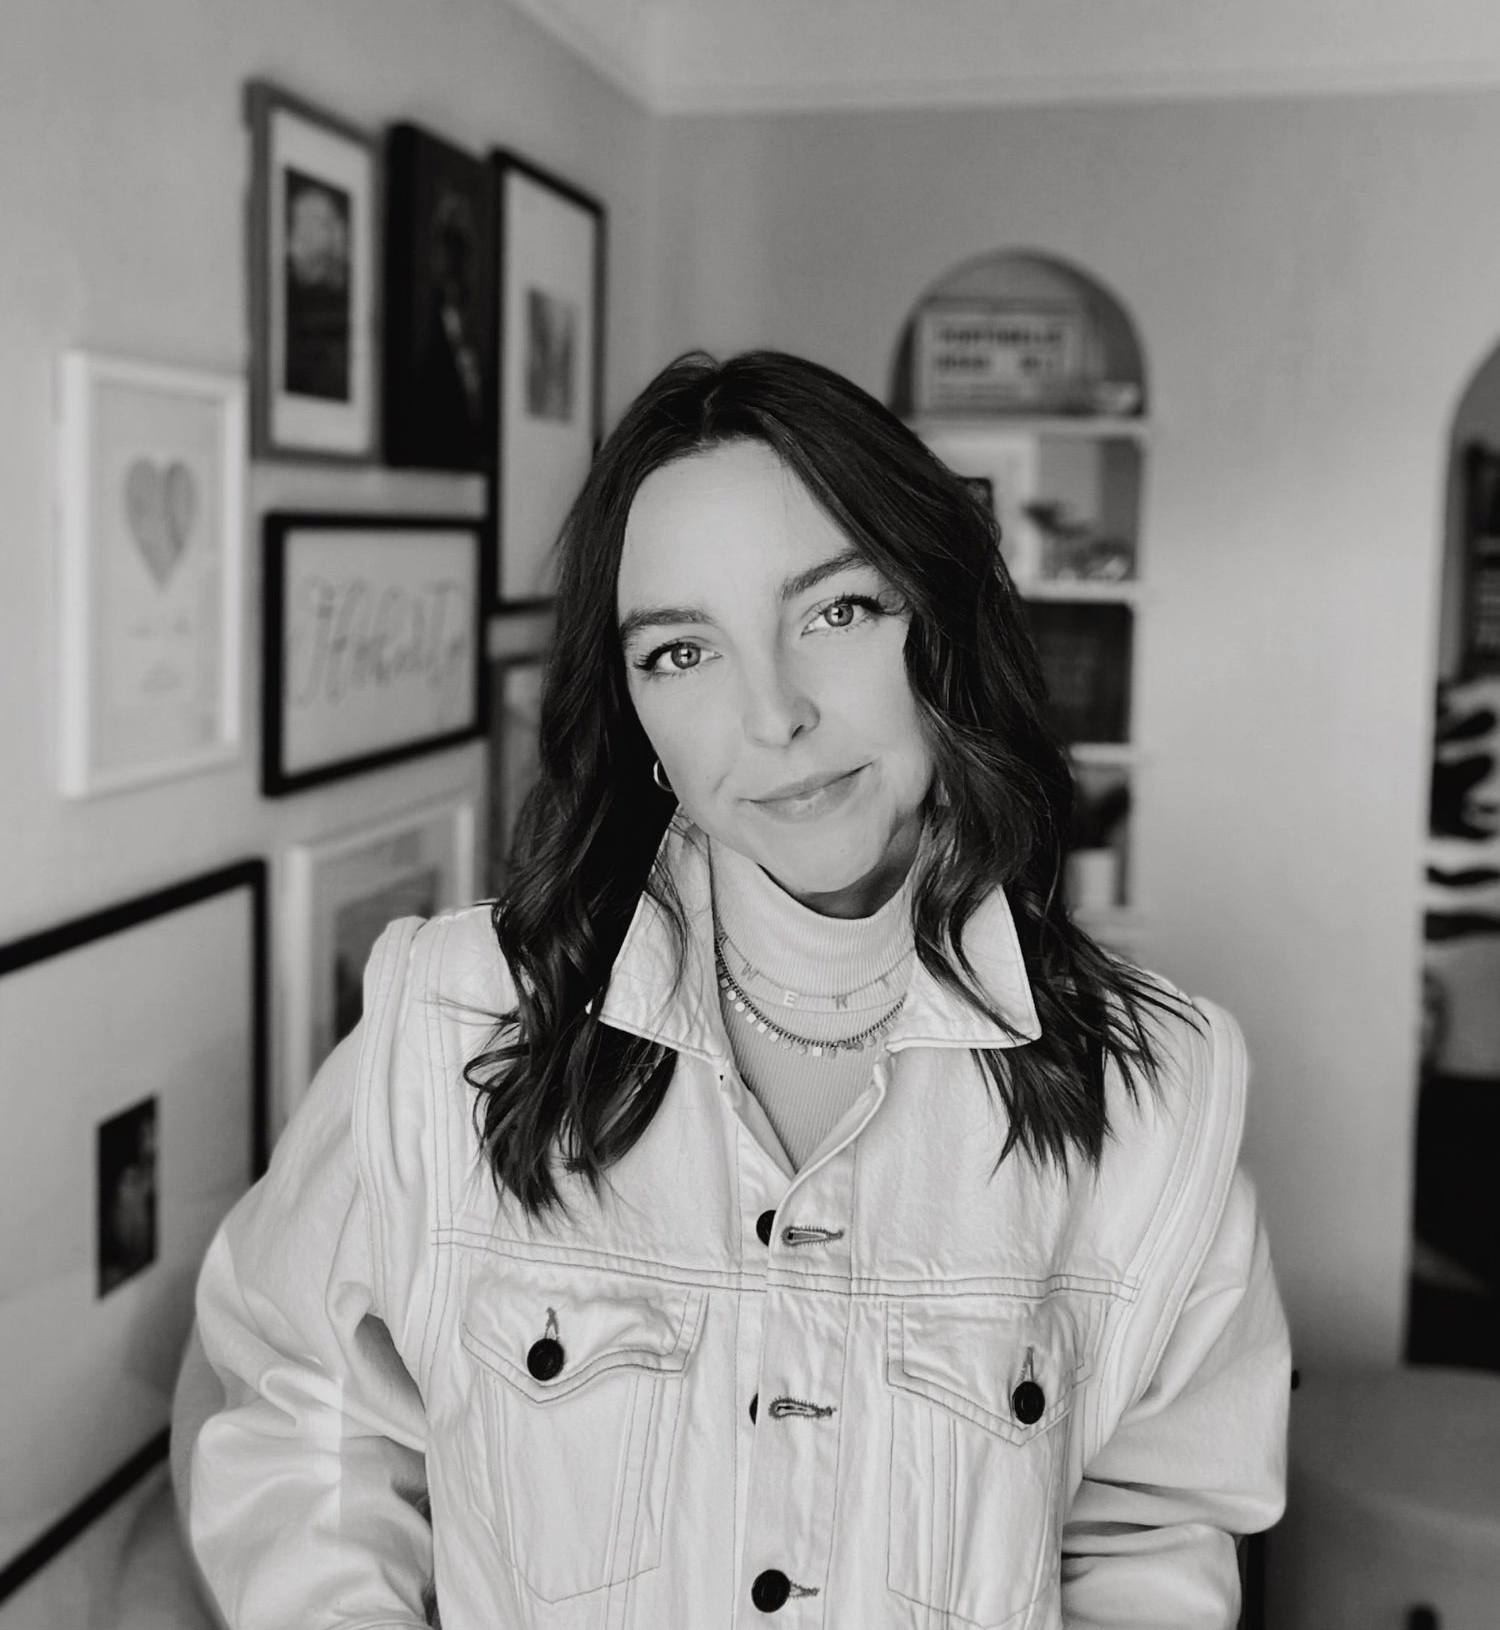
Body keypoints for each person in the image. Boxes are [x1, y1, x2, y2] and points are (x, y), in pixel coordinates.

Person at [180, 349, 1290, 1628]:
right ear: (635, 707)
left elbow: (1152, 1535)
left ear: (943, 623)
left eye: (837, 612)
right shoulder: (452, 1019)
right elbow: (302, 1421)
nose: (773, 715)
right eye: (681, 650)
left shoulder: (1160, 1094)